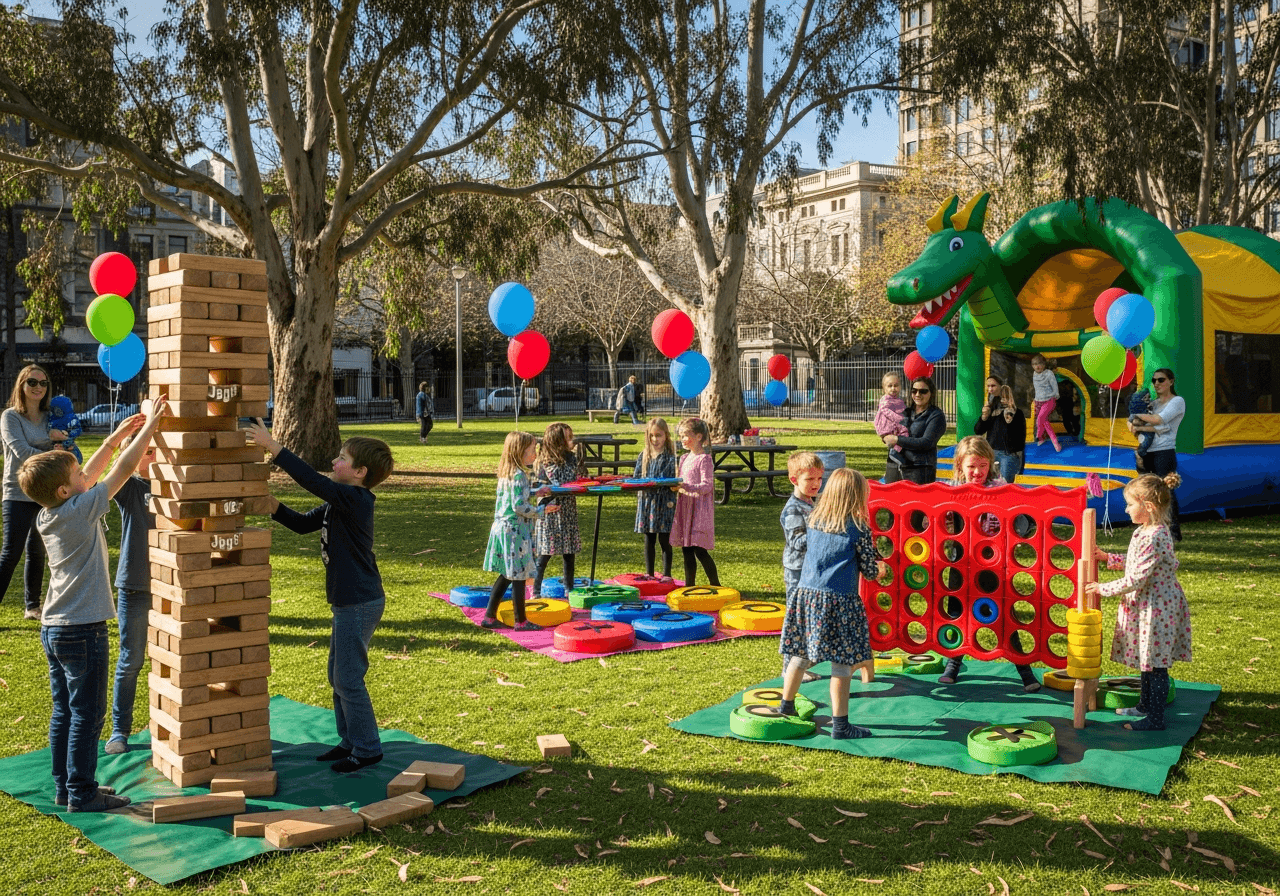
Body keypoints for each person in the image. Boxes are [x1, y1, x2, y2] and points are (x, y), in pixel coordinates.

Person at [17, 398, 168, 811]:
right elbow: (119, 473)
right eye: (77, 472)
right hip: (82, 630)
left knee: (64, 712)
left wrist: (117, 436)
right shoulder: (80, 509)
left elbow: (93, 473)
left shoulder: (54, 510)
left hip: (55, 628)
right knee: (87, 715)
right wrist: (148, 428)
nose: (86, 474)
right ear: (67, 489)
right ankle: (82, 793)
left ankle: (65, 786)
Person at [246, 420, 395, 773]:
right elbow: (300, 524)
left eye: (342, 458)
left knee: (348, 677)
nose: (334, 461)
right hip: (349, 601)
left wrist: (273, 446)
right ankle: (350, 741)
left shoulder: (355, 499)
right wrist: (274, 506)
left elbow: (314, 482)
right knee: (337, 674)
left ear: (360, 472)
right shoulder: (338, 503)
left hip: (360, 602)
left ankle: (368, 748)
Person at [777, 468, 887, 739]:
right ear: (857, 497)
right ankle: (841, 726)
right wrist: (881, 569)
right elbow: (870, 571)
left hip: (807, 597)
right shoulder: (858, 528)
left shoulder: (814, 519)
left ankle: (786, 707)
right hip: (840, 602)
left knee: (800, 654)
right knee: (842, 664)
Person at [1085, 473, 1192, 731]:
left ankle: (1155, 718)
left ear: (1148, 506)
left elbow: (1136, 578)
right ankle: (1145, 705)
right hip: (1148, 605)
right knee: (1148, 658)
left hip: (1157, 608)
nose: (1126, 509)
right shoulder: (1144, 531)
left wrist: (1102, 588)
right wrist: (1108, 557)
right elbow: (1137, 562)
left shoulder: (1156, 535)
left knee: (1156, 665)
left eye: (1130, 504)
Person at [937, 437, 1042, 693]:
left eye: (982, 466)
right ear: (960, 465)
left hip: (992, 563)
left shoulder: (999, 487)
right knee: (957, 613)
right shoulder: (951, 489)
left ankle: (1023, 668)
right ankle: (953, 662)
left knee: (1004, 613)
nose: (977, 472)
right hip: (960, 562)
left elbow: (1018, 516)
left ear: (990, 464)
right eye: (971, 466)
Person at [105, 431, 158, 755]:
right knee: (132, 659)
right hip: (136, 586)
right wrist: (129, 439)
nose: (148, 456)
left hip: (172, 587)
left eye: (154, 451)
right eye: (144, 452)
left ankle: (170, 723)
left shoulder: (177, 485)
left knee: (174, 658)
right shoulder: (130, 487)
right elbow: (119, 469)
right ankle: (119, 731)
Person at [1, 364, 65, 619]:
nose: (38, 387)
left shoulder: (51, 416)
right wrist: (56, 455)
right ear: (21, 385)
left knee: (37, 550)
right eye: (32, 382)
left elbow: (66, 442)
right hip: (16, 493)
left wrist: (64, 445)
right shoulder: (10, 417)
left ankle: (32, 607)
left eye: (43, 383)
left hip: (44, 492)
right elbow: (22, 453)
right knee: (10, 553)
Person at [481, 431, 556, 631]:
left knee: (507, 574)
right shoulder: (520, 475)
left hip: (502, 529)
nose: (536, 454)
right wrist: (541, 510)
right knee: (519, 575)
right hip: (514, 531)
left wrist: (534, 492)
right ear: (519, 452)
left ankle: (489, 617)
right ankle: (521, 621)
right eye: (532, 450)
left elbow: (515, 496)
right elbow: (518, 507)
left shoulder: (508, 473)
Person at [780, 451, 824, 683]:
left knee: (808, 619)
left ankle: (801, 665)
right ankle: (789, 668)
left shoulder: (812, 503)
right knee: (796, 621)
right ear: (794, 480)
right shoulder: (793, 509)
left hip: (812, 571)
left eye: (819, 479)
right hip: (797, 572)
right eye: (810, 479)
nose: (816, 484)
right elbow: (797, 542)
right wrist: (822, 528)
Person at [1127, 368, 1185, 541]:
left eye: (1161, 380)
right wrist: (1135, 423)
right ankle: (1149, 529)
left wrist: (1135, 414)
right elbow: (1133, 425)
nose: (1157, 384)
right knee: (1144, 491)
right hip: (1145, 451)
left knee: (1165, 491)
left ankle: (1173, 532)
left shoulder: (1177, 401)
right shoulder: (1153, 403)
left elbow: (1160, 420)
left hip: (1163, 451)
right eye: (1154, 381)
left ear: (1171, 381)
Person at [532, 423, 583, 598]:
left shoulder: (570, 458)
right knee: (544, 554)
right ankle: (536, 591)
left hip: (567, 510)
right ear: (557, 441)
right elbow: (560, 480)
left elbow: (573, 479)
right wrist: (570, 460)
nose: (573, 441)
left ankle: (569, 589)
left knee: (569, 553)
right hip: (550, 511)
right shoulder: (545, 460)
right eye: (568, 438)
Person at [672, 417, 719, 586]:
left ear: (699, 437)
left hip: (699, 509)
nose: (682, 439)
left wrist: (687, 486)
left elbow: (707, 486)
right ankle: (689, 586)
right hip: (685, 507)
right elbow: (680, 480)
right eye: (681, 436)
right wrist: (675, 486)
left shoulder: (704, 459)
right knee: (686, 549)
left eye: (685, 435)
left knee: (699, 549)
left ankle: (716, 585)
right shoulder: (684, 458)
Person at [633, 417, 677, 577]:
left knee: (665, 540)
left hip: (665, 503)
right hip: (647, 503)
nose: (655, 439)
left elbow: (675, 479)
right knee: (649, 539)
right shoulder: (644, 455)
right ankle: (649, 573)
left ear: (666, 435)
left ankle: (666, 574)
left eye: (658, 435)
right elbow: (636, 477)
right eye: (651, 435)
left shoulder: (672, 457)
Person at [881, 375, 945, 484]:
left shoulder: (936, 416)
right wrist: (885, 436)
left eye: (923, 391)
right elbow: (887, 429)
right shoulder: (904, 411)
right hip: (894, 465)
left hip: (919, 471)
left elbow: (926, 442)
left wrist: (897, 440)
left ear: (931, 393)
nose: (917, 395)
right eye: (914, 391)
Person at [974, 377, 1027, 484]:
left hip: (1008, 454)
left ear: (1001, 387)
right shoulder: (991, 407)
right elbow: (978, 431)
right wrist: (984, 417)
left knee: (1004, 486)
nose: (990, 389)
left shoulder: (1016, 411)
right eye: (988, 386)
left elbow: (1020, 434)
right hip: (992, 452)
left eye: (993, 386)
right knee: (990, 484)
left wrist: (1014, 451)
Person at [873, 372, 910, 466]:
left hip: (894, 425)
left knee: (904, 434)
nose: (893, 388)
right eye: (890, 386)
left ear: (900, 387)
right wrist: (900, 419)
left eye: (896, 385)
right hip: (887, 425)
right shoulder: (886, 400)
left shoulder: (898, 400)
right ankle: (896, 453)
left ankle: (898, 452)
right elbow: (886, 410)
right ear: (884, 388)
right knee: (905, 432)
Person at [1030, 353, 1062, 452]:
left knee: (1041, 419)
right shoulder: (1034, 374)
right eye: (1035, 364)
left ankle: (1055, 442)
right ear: (1032, 366)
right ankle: (1042, 438)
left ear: (1044, 365)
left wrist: (1056, 394)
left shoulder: (1048, 373)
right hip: (1038, 401)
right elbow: (1037, 388)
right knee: (1040, 421)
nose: (1037, 366)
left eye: (1039, 363)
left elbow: (1054, 384)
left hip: (1049, 400)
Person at [47, 395, 83, 463]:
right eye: (55, 409)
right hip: (53, 442)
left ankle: (76, 459)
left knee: (71, 451)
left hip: (66, 441)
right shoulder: (52, 418)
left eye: (58, 409)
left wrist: (69, 435)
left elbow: (77, 429)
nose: (57, 412)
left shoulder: (71, 418)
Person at [1057, 376, 1080, 441]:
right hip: (1065, 401)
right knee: (1070, 417)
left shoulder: (1064, 383)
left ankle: (1072, 431)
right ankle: (1074, 431)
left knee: (1068, 418)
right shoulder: (1068, 382)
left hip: (1064, 401)